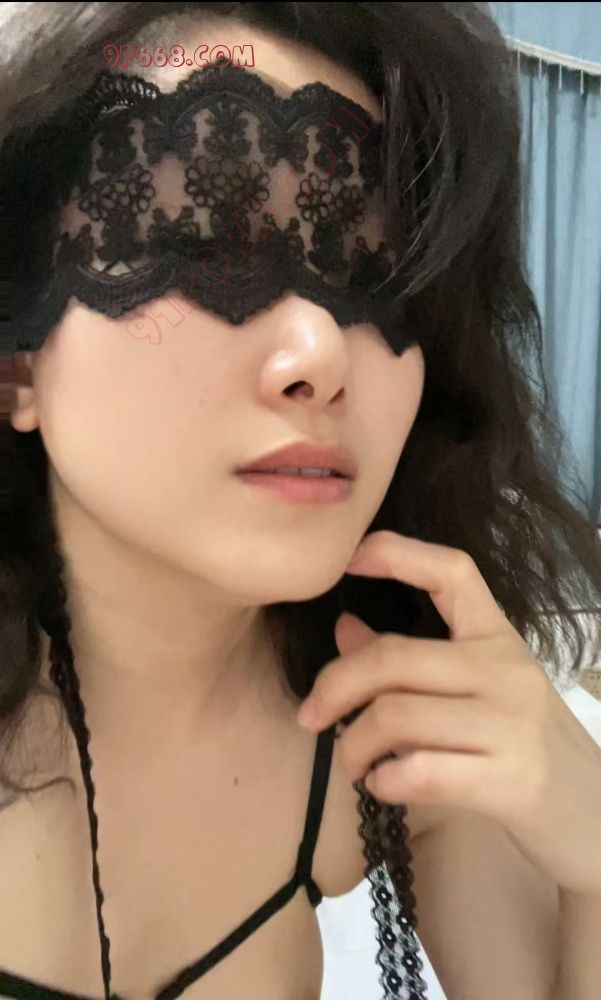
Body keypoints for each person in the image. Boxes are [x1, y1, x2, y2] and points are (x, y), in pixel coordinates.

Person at [1, 3, 601, 1000]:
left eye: (377, 280)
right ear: (16, 359)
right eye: (205, 246)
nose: (322, 356)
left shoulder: (390, 734)